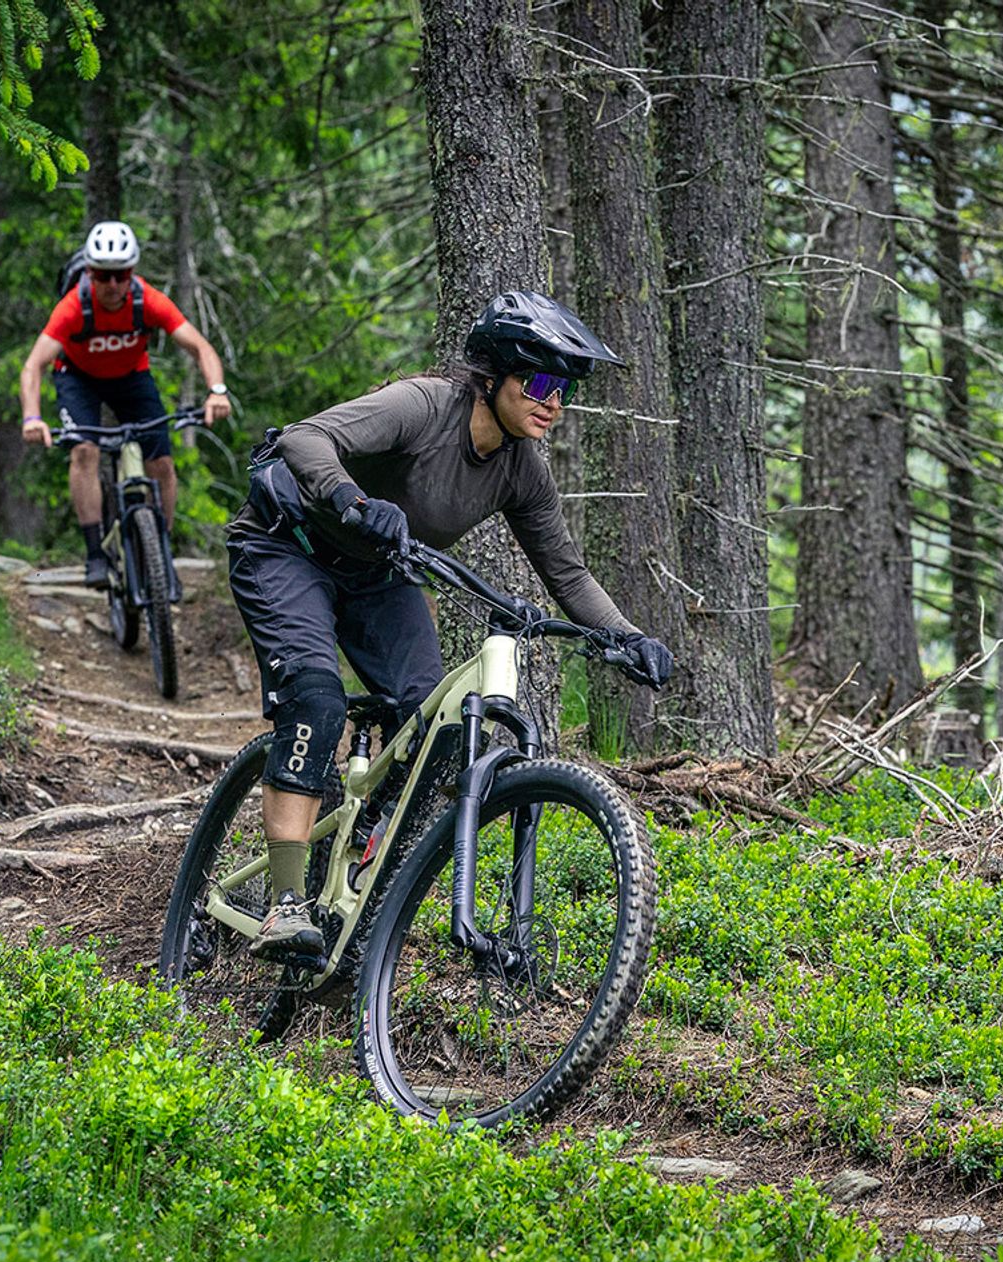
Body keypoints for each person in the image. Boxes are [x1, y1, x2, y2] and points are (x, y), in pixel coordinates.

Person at [228, 290, 673, 956]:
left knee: (435, 723)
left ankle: (360, 848)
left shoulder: (522, 470)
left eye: (566, 392)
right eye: (543, 381)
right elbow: (302, 438)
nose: (554, 402)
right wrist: (353, 497)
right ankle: (284, 903)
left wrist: (629, 636)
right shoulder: (422, 407)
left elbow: (569, 574)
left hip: (377, 575)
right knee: (316, 702)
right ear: (493, 375)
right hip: (287, 545)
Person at [20, 220, 233, 588]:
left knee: (162, 462)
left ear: (132, 272)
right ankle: (95, 555)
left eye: (121, 275)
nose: (113, 285)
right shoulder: (73, 307)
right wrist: (32, 417)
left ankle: (161, 554)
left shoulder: (146, 300)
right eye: (104, 276)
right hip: (77, 378)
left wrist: (216, 390)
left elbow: (201, 347)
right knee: (84, 451)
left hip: (132, 378)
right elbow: (33, 365)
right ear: (90, 273)